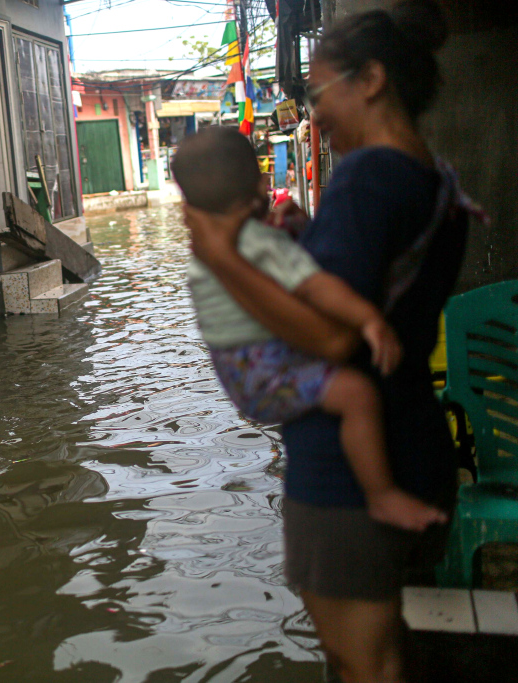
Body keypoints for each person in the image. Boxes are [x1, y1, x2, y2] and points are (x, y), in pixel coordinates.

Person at [184, 2, 476, 681]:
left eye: (320, 94)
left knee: (362, 663)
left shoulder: (368, 178)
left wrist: (221, 255)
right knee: (384, 652)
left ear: (370, 79)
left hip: (345, 483)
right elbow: (366, 292)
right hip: (411, 443)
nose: (314, 115)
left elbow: (334, 334)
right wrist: (300, 239)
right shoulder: (439, 185)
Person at [173, 126, 447, 534]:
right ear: (259, 183)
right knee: (358, 395)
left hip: (237, 375)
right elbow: (317, 286)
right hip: (266, 367)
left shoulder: (204, 254)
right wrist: (368, 318)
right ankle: (382, 495)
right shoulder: (262, 245)